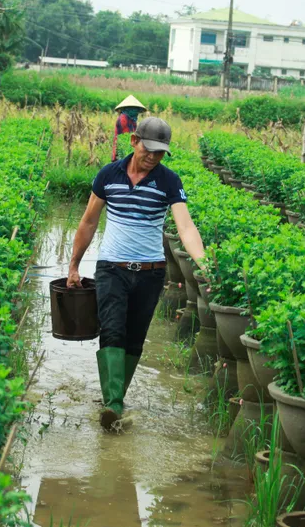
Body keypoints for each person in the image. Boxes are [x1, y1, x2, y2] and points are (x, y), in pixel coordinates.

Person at [67, 117, 205, 431]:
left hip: (150, 273)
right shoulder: (108, 175)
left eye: (160, 153)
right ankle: (113, 404)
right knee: (112, 330)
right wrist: (74, 265)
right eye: (149, 149)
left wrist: (204, 263)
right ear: (133, 141)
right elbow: (88, 222)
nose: (153, 157)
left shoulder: (169, 181)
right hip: (112, 268)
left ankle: (116, 399)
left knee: (134, 340)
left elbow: (185, 226)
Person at [111, 95, 146, 161]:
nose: (137, 112)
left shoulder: (132, 120)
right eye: (134, 109)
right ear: (128, 109)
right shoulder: (123, 119)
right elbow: (126, 137)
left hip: (128, 149)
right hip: (121, 151)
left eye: (137, 109)